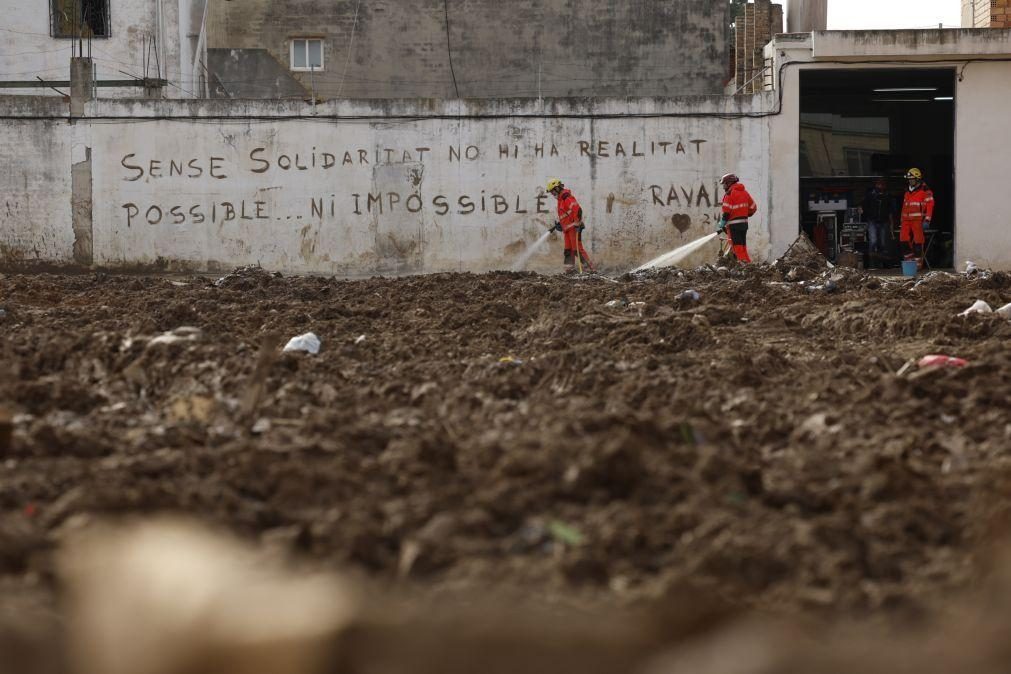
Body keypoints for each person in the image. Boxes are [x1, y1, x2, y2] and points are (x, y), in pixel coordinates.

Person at [546, 178, 594, 272]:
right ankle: (569, 270)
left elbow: (578, 209)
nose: (552, 194)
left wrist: (577, 223)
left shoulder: (566, 197)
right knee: (568, 251)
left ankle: (590, 269)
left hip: (574, 228)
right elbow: (566, 214)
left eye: (552, 191)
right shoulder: (560, 199)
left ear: (557, 188)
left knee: (577, 250)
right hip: (567, 229)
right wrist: (561, 224)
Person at [716, 173, 756, 263]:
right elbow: (753, 207)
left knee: (737, 248)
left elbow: (726, 212)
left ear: (729, 183)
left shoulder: (729, 194)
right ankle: (748, 265)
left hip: (734, 226)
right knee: (743, 247)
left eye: (724, 184)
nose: (723, 187)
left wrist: (722, 223)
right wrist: (744, 214)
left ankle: (743, 266)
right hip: (744, 225)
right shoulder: (745, 193)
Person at [900, 168, 935, 269]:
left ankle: (918, 265)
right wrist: (901, 220)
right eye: (909, 179)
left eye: (912, 179)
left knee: (918, 242)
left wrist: (927, 220)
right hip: (906, 220)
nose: (910, 181)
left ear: (918, 179)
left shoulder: (925, 191)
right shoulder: (907, 191)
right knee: (903, 240)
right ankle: (910, 262)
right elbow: (904, 206)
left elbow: (930, 205)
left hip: (918, 220)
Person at [861, 178, 895, 265]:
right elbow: (863, 207)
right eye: (878, 184)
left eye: (882, 184)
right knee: (873, 241)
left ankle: (882, 263)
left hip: (884, 222)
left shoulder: (888, 196)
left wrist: (891, 224)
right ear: (875, 185)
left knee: (883, 243)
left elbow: (890, 211)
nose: (880, 186)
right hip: (872, 221)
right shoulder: (870, 195)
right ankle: (872, 263)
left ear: (885, 185)